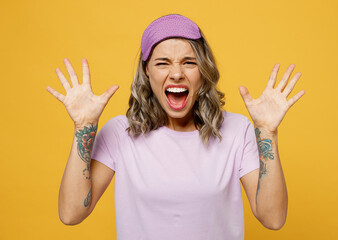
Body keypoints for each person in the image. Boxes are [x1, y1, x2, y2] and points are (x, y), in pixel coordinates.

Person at [46, 14, 305, 240]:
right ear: (146, 71)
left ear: (204, 70)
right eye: (163, 63)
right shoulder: (119, 133)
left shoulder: (238, 130)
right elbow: (71, 213)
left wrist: (267, 132)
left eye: (189, 62)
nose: (177, 73)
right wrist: (84, 126)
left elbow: (273, 219)